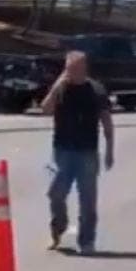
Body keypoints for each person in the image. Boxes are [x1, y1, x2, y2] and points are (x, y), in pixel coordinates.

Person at [41, 50, 115, 255]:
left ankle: (87, 241)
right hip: (63, 151)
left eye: (74, 68)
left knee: (88, 200)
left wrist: (109, 151)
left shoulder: (96, 90)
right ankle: (59, 226)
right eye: (67, 68)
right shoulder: (61, 88)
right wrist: (56, 86)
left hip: (87, 152)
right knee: (55, 194)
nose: (70, 72)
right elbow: (45, 109)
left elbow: (107, 122)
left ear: (83, 68)